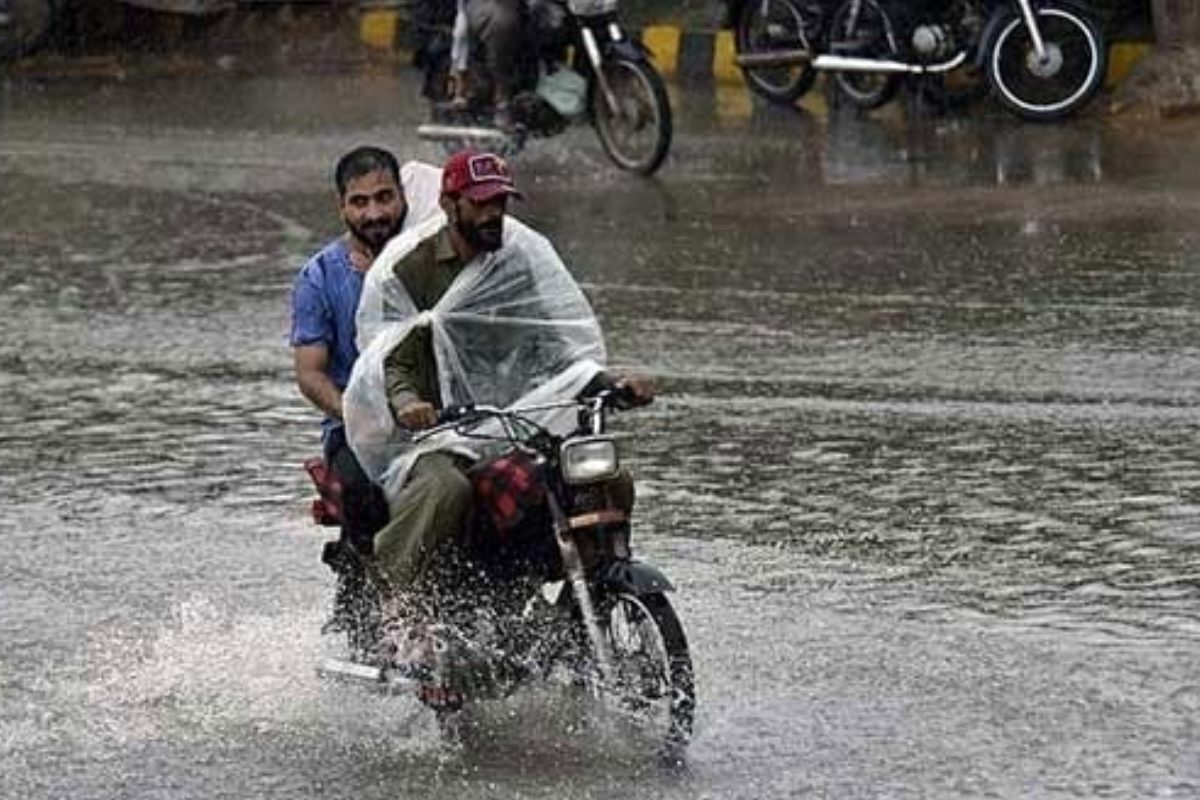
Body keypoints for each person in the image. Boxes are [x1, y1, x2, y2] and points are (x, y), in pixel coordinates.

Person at [343, 150, 651, 648]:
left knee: (601, 475)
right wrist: (408, 404)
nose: (493, 215)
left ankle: (594, 582)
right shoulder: (410, 267)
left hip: (509, 419)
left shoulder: (517, 259)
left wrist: (603, 379)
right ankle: (394, 599)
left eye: (500, 203)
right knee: (447, 489)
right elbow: (392, 358)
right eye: (481, 203)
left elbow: (550, 341)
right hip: (430, 432)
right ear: (449, 202)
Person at [289, 146, 442, 632]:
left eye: (384, 197)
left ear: (403, 197)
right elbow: (310, 373)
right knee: (360, 486)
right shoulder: (319, 277)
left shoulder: (426, 258)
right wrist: (358, 416)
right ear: (342, 207)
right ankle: (378, 591)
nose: (374, 213)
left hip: (437, 420)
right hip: (355, 432)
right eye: (360, 202)